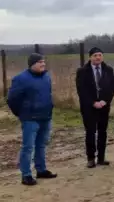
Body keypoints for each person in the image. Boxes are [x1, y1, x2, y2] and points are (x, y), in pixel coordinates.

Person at [7, 53, 57, 186]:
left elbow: (49, 93)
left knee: (41, 145)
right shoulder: (21, 79)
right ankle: (26, 175)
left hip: (45, 116)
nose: (43, 64)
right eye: (40, 62)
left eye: (44, 62)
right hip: (30, 118)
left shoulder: (46, 77)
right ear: (32, 64)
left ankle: (41, 170)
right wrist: (21, 113)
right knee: (28, 147)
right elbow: (12, 99)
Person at [76, 47, 114, 168]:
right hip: (89, 107)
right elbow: (81, 90)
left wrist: (105, 101)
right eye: (95, 55)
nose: (98, 57)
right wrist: (93, 102)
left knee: (102, 132)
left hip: (104, 106)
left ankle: (101, 158)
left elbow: (112, 87)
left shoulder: (108, 70)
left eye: (100, 55)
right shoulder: (82, 71)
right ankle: (91, 158)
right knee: (90, 132)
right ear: (90, 57)